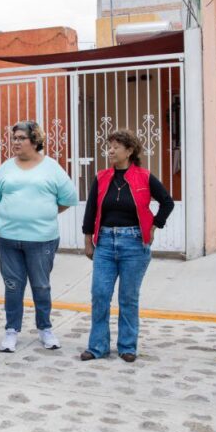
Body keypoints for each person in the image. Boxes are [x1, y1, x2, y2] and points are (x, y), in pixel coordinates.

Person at [80, 130, 174, 363]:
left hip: (134, 244)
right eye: (109, 146)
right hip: (104, 242)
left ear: (130, 151)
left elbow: (167, 202)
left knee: (128, 297)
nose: (110, 150)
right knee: (100, 294)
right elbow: (91, 209)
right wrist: (88, 240)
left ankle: (127, 346)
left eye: (116, 147)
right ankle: (98, 346)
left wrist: (154, 226)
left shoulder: (144, 176)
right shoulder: (101, 177)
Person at [0, 120, 78, 352]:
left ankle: (45, 329)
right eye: (14, 138)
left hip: (42, 240)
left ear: (35, 140)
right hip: (8, 239)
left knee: (41, 286)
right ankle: (11, 330)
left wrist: (43, 214)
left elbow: (68, 199)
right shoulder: (6, 168)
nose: (15, 142)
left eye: (21, 138)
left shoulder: (52, 167)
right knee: (12, 286)